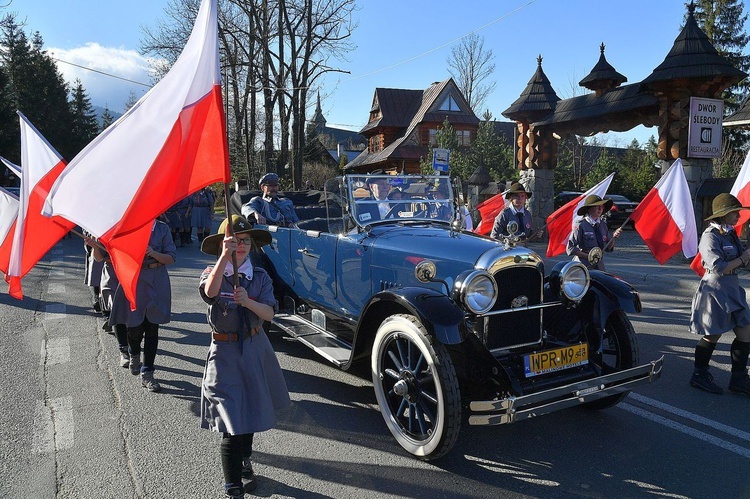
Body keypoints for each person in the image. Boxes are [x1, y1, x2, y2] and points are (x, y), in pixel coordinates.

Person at [199, 215, 290, 498]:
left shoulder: (259, 277)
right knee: (231, 424)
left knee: (249, 411)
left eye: (245, 241)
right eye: (234, 242)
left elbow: (269, 314)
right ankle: (233, 486)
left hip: (254, 349)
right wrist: (224, 259)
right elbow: (210, 293)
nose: (240, 246)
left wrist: (247, 301)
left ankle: (245, 458)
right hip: (224, 354)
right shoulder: (211, 272)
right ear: (223, 245)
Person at [689, 193, 750, 396]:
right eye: (734, 213)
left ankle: (739, 378)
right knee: (712, 334)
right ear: (723, 214)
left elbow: (740, 257)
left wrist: (745, 256)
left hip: (732, 287)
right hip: (715, 289)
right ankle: (700, 374)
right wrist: (743, 259)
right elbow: (718, 266)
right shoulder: (710, 236)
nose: (738, 216)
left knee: (746, 331)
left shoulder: (730, 233)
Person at [109, 219, 176, 392]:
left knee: (153, 327)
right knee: (134, 326)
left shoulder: (162, 228)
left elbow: (171, 257)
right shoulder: (130, 226)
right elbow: (115, 252)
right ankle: (133, 353)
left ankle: (148, 372)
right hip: (134, 279)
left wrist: (153, 253)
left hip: (157, 279)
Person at [566, 194, 622, 270]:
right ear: (589, 208)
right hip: (583, 265)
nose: (600, 209)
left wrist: (614, 237)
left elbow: (608, 247)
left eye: (601, 206)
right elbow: (571, 248)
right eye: (596, 206)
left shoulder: (603, 225)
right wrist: (589, 257)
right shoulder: (581, 225)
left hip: (598, 264)